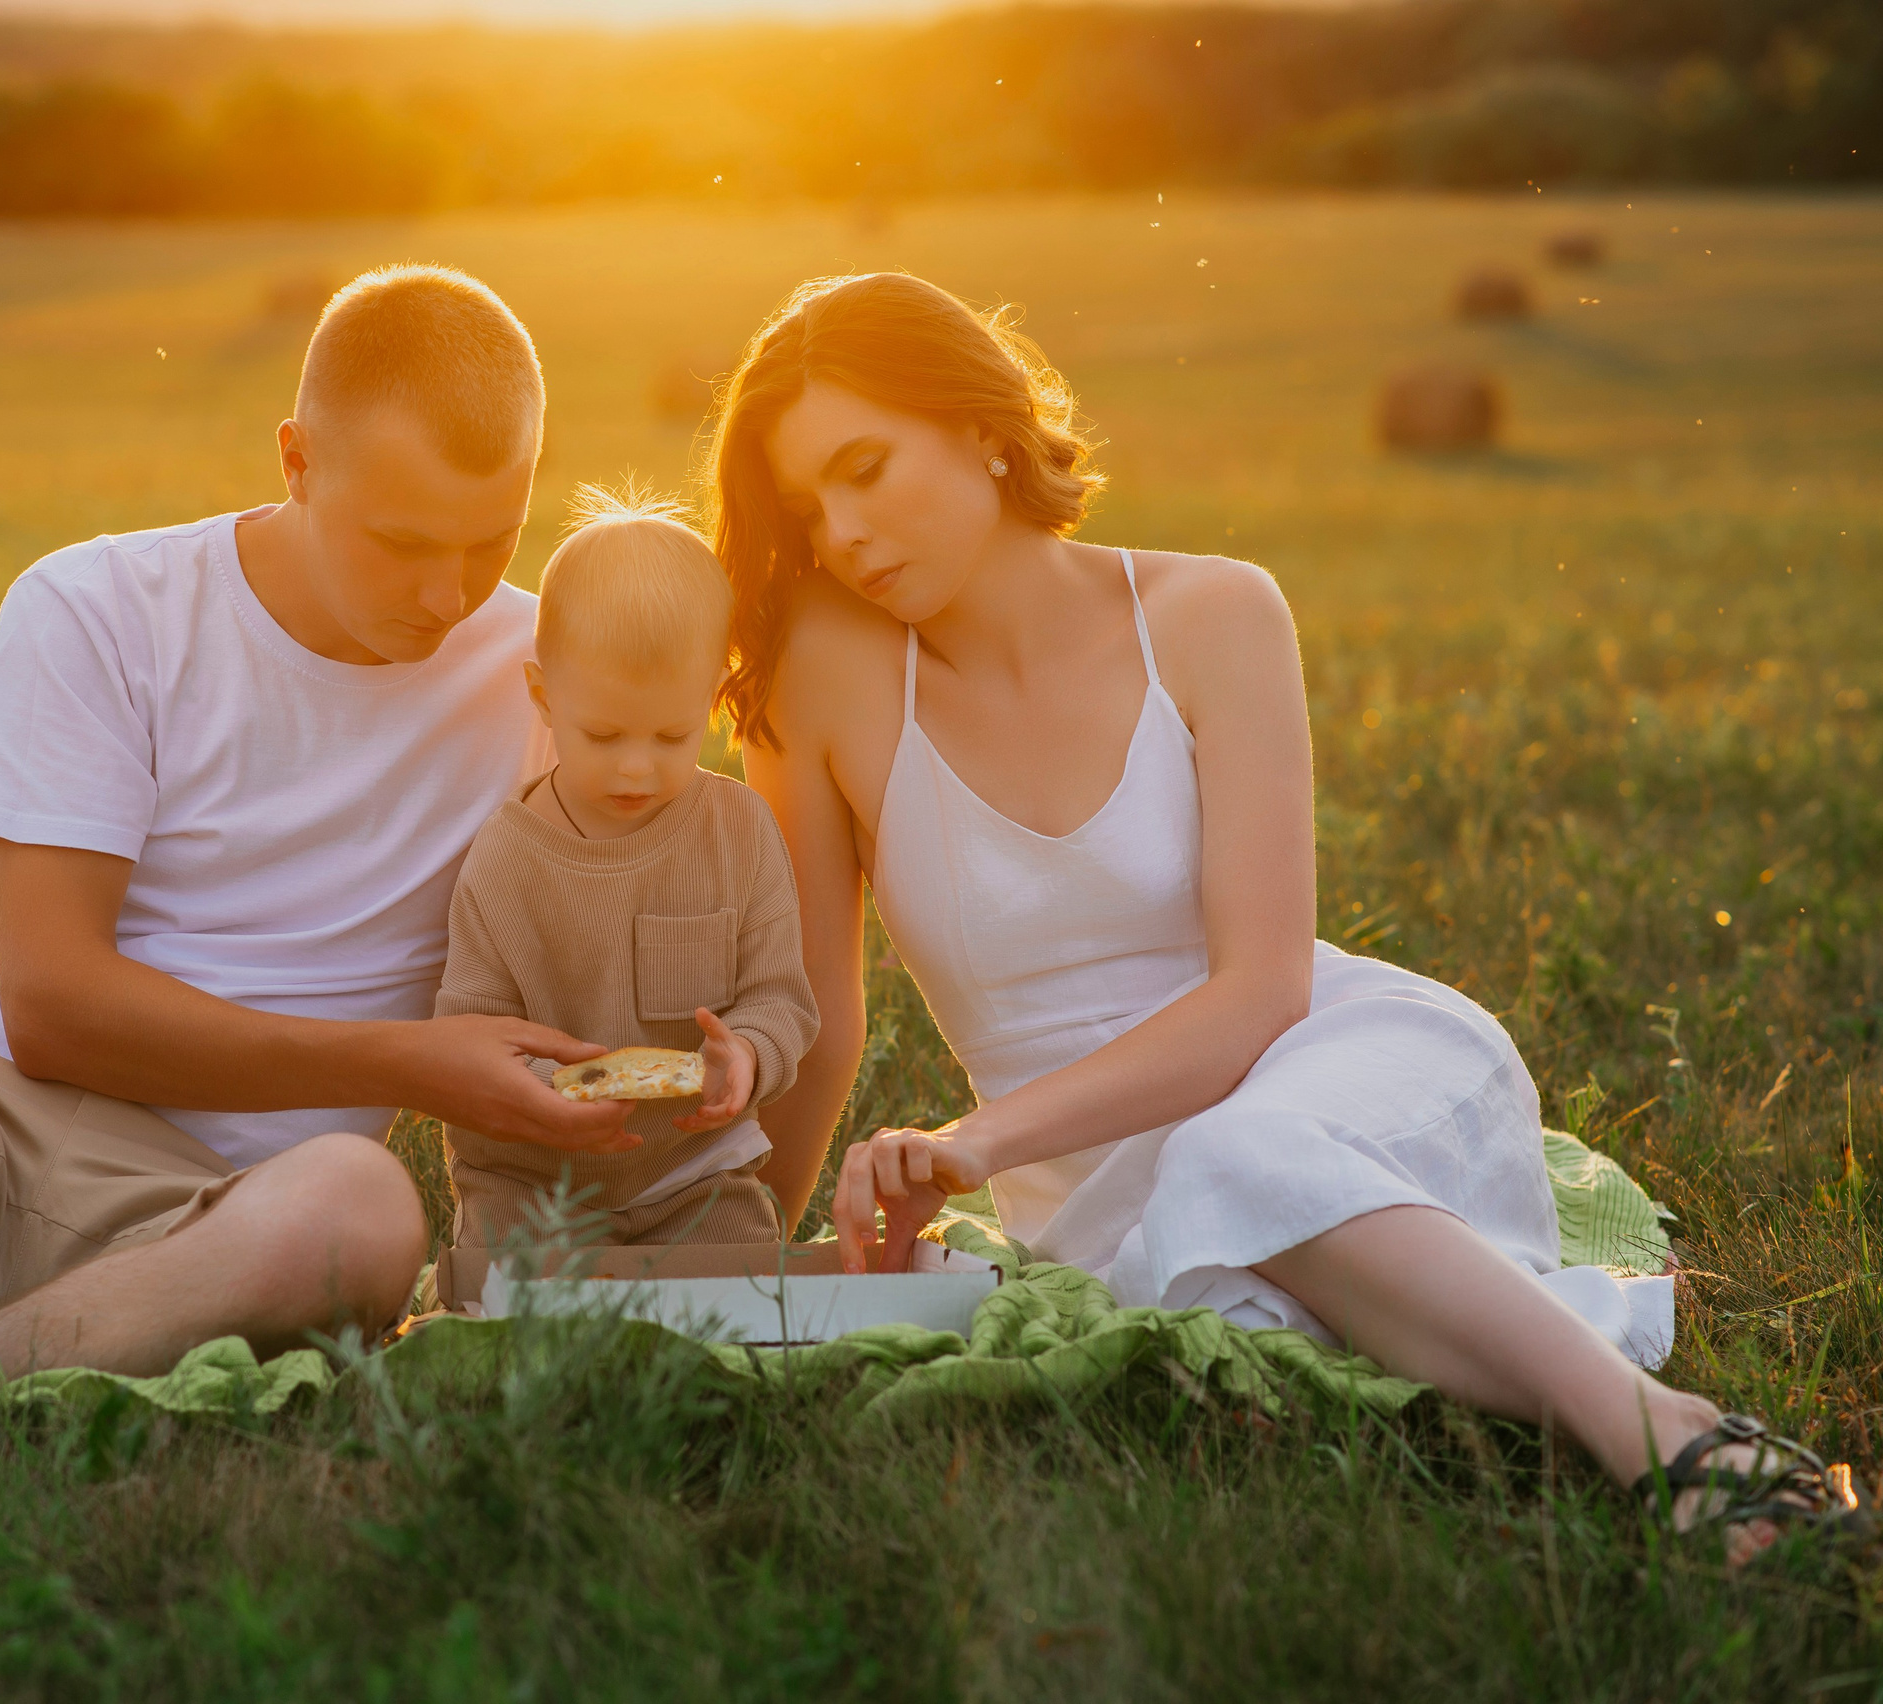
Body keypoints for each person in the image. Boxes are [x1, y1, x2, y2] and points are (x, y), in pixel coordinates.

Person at [707, 269, 1862, 1565]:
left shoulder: (1212, 614)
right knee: (1251, 1359)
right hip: (1092, 1204)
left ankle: (1682, 1442)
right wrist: (734, 1261)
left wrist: (976, 1142)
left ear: (979, 421)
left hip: (1326, 1068)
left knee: (1238, 1164)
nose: (845, 531)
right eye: (810, 507)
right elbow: (819, 1012)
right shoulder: (822, 678)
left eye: (866, 466)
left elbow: (1259, 996)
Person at [0, 265, 639, 1525]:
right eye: (399, 543)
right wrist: (418, 1061)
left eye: (488, 542)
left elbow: (603, 958)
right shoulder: (99, 607)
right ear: (296, 460)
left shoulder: (547, 681)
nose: (446, 599)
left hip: (202, 1242)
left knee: (363, 1200)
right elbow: (53, 1003)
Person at [434, 488, 820, 1251]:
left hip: (690, 1173)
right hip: (533, 1181)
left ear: (712, 701)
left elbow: (779, 998)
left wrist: (744, 1053)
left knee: (744, 1286)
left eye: (672, 735)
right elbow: (472, 1030)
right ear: (544, 697)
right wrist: (545, 1097)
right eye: (603, 734)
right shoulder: (507, 860)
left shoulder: (738, 832)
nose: (637, 768)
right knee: (510, 1301)